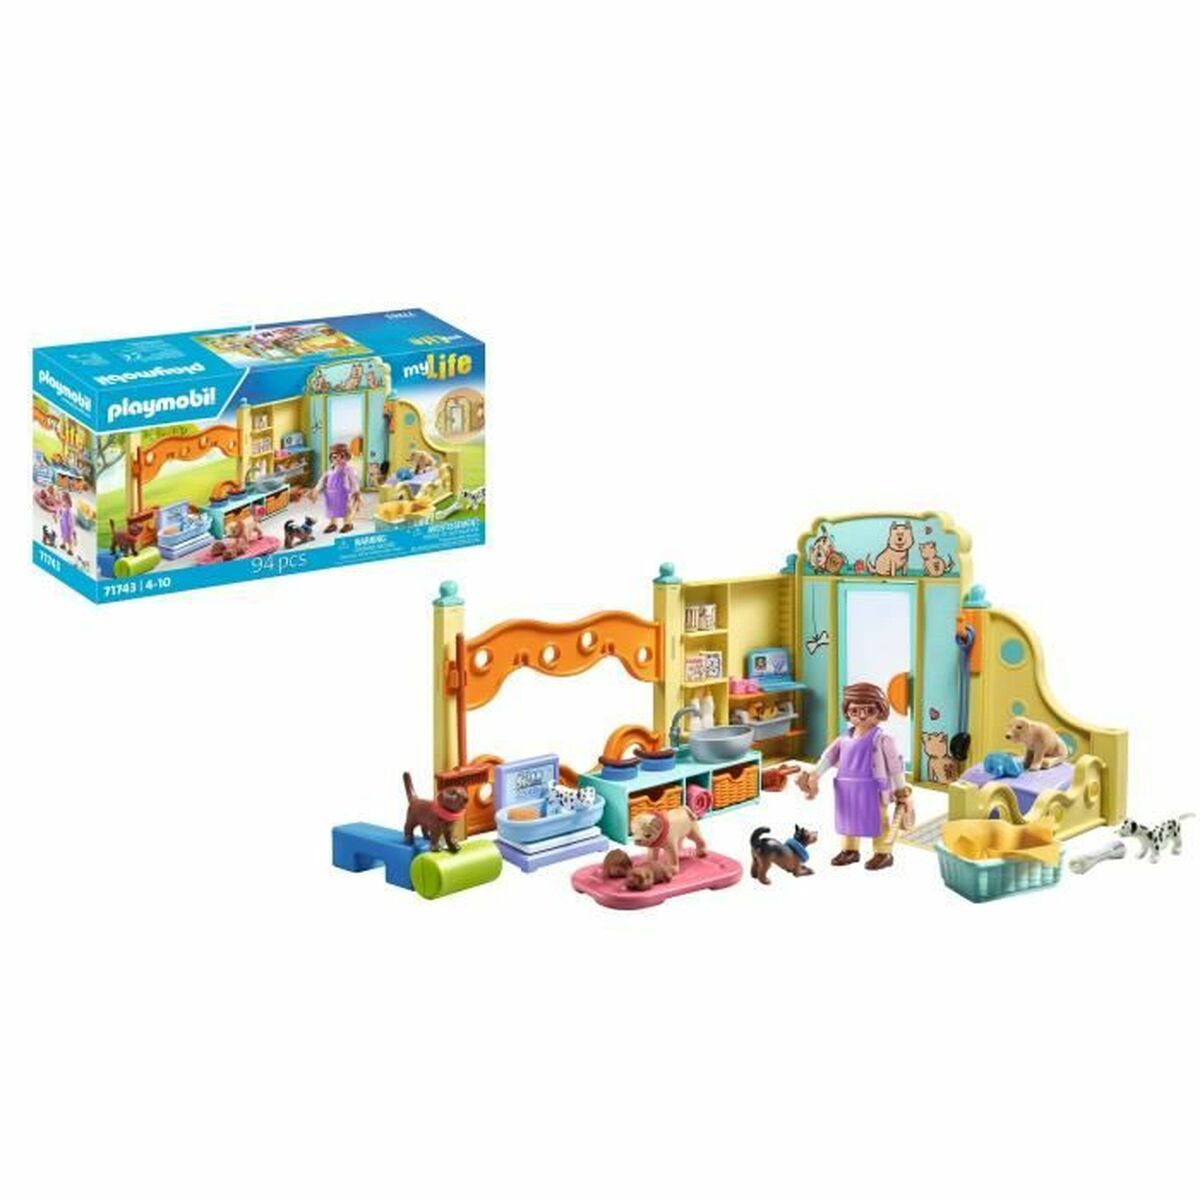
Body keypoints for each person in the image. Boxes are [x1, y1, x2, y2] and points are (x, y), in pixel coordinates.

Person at [798, 681, 913, 871]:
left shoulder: (883, 739)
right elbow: (828, 757)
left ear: (881, 711)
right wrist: (815, 774)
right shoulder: (844, 738)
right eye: (855, 710)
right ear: (847, 712)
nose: (861, 715)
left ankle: (883, 853)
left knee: (879, 821)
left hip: (874, 789)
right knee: (848, 819)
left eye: (869, 710)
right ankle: (850, 850)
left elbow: (896, 767)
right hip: (847, 788)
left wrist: (902, 790)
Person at [309, 442, 361, 534]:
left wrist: (356, 492)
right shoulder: (330, 470)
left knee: (346, 509)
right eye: (335, 457)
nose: (338, 459)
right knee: (332, 509)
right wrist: (316, 489)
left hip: (344, 494)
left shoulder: (348, 469)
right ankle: (333, 523)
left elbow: (353, 481)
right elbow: (322, 480)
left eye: (342, 456)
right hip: (331, 494)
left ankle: (347, 523)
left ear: (347, 457)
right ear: (331, 458)